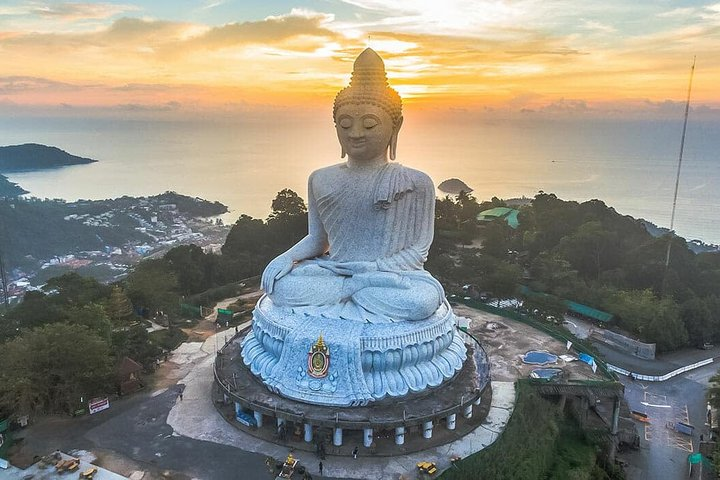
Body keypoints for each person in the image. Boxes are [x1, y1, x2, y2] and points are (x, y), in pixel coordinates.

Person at [260, 48, 443, 323]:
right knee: (282, 287)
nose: (355, 133)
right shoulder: (320, 178)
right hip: (337, 272)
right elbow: (318, 240)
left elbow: (418, 250)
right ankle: (351, 291)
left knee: (419, 302)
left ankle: (351, 292)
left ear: (396, 127)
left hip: (388, 276)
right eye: (345, 124)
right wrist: (285, 258)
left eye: (369, 125)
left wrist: (374, 270)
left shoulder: (417, 183)